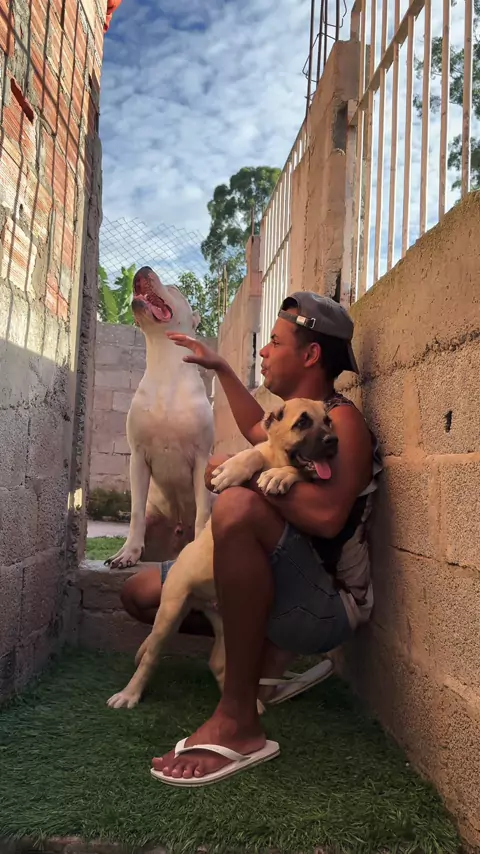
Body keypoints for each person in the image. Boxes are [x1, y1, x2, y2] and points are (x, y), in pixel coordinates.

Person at [122, 292, 382, 786]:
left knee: (237, 506)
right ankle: (256, 658)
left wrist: (244, 478)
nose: (263, 350)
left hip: (329, 604)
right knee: (140, 594)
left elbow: (328, 518)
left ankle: (238, 718)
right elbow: (254, 427)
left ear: (310, 355)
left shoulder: (340, 423)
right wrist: (220, 367)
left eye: (275, 342)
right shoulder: (290, 419)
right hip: (286, 582)